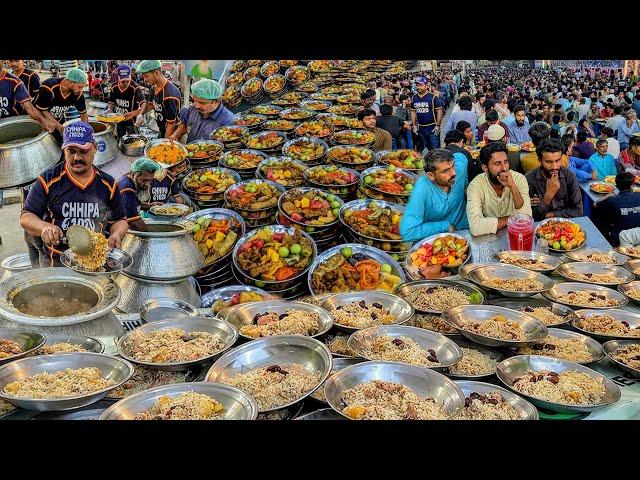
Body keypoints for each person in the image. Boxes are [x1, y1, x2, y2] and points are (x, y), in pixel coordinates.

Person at [20, 122, 128, 267]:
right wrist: (44, 227)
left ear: (95, 148)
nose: (77, 157)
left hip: (95, 262)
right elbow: (26, 217)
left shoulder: (108, 184)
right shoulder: (48, 180)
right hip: (56, 262)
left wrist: (116, 234)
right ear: (63, 150)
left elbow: (121, 220)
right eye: (71, 151)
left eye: (83, 151)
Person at [400, 148, 468, 250]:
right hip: (435, 242)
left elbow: (461, 156)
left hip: (465, 233)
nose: (453, 173)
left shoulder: (459, 168)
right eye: (445, 171)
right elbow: (408, 232)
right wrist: (445, 226)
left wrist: (466, 184)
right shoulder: (422, 188)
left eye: (452, 166)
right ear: (431, 176)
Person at [466, 142, 532, 236]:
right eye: (497, 164)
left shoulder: (519, 179)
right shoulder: (475, 186)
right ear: (485, 168)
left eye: (506, 162)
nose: (504, 168)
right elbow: (475, 227)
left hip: (517, 234)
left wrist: (512, 186)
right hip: (488, 238)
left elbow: (527, 217)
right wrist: (513, 219)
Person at [526, 138, 583, 221]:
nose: (554, 167)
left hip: (566, 227)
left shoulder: (569, 177)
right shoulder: (530, 180)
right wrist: (548, 195)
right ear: (540, 161)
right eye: (548, 162)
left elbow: (578, 211)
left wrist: (549, 215)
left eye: (558, 160)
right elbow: (531, 217)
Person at [169, 78, 233, 143]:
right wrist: (175, 135)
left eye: (202, 103)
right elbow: (185, 125)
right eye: (194, 100)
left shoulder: (227, 121)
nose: (197, 106)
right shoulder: (193, 109)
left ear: (216, 101)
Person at [33, 68, 89, 142]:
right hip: (40, 120)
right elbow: (43, 110)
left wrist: (86, 133)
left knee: (62, 143)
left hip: (58, 120)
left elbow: (83, 115)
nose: (81, 90)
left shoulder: (77, 94)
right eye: (80, 87)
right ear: (71, 82)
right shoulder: (49, 87)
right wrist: (60, 127)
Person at [136, 60, 182, 139]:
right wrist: (139, 114)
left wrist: (165, 143)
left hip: (171, 134)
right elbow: (150, 106)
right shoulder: (154, 87)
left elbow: (171, 125)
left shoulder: (169, 94)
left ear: (156, 73)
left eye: (146, 76)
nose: (144, 80)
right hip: (162, 129)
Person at [593, 172, 640, 246]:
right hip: (638, 237)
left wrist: (608, 195)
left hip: (619, 240)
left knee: (600, 217)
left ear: (616, 186)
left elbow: (595, 204)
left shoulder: (612, 200)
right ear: (632, 185)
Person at [117, 158, 163, 231]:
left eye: (150, 180)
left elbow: (136, 205)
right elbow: (134, 220)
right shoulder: (127, 188)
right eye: (143, 180)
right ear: (133, 174)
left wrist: (151, 205)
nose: (147, 184)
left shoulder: (131, 183)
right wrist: (148, 235)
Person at [107, 65, 145, 138]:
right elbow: (111, 102)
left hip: (132, 121)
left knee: (133, 140)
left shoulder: (135, 87)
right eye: (122, 81)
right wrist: (109, 109)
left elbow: (143, 102)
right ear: (118, 77)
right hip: (119, 120)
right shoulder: (114, 87)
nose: (125, 82)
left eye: (127, 80)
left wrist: (141, 114)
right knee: (121, 138)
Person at [410, 76, 443, 152]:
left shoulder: (433, 98)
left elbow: (439, 111)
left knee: (435, 149)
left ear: (426, 85)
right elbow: (413, 111)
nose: (418, 87)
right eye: (417, 85)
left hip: (432, 128)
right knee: (424, 147)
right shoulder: (414, 98)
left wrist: (438, 125)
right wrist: (414, 126)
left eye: (420, 85)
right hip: (421, 128)